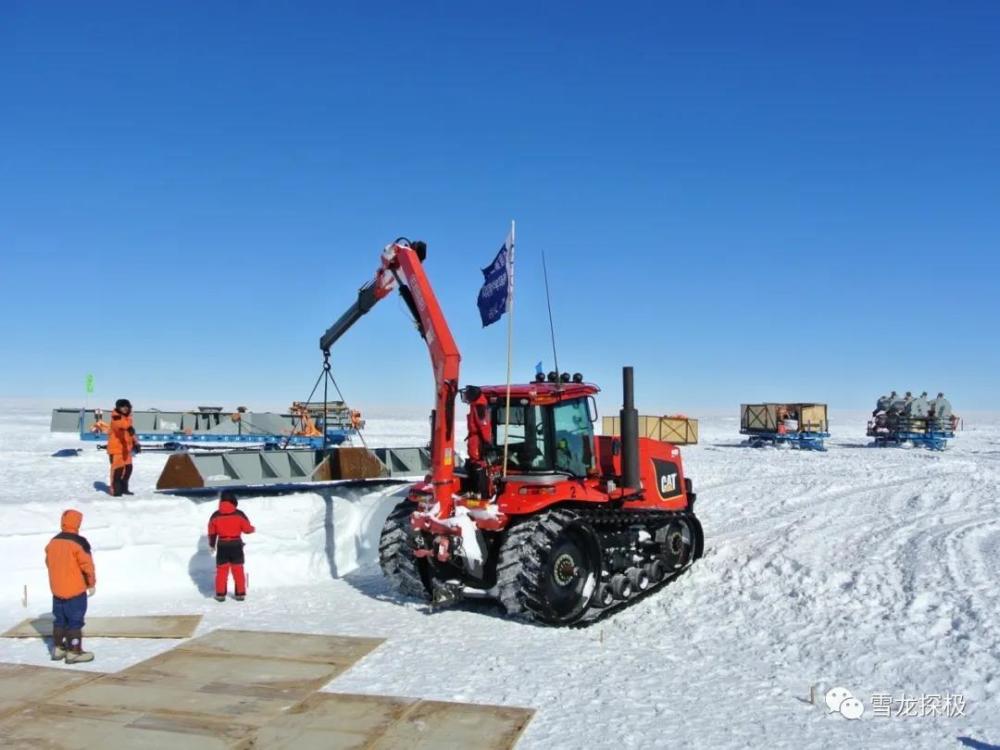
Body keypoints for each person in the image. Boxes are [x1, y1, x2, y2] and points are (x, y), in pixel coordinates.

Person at [45, 510, 96, 663]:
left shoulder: (52, 542)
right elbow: (87, 566)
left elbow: (48, 563)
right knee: (75, 621)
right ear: (78, 523)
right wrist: (91, 583)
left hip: (57, 590)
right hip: (75, 590)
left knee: (59, 620)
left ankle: (58, 648)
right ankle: (74, 651)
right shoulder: (79, 542)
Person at [207, 492, 255, 602]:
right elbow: (247, 529)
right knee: (238, 570)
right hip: (236, 545)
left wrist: (212, 544)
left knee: (222, 571)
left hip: (222, 545)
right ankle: (240, 594)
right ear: (233, 501)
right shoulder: (239, 514)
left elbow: (212, 532)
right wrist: (253, 529)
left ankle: (220, 594)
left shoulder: (215, 515)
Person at [107, 399, 141, 496]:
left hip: (126, 449)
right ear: (118, 408)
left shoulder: (128, 419)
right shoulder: (116, 417)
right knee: (118, 470)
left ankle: (124, 488)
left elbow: (131, 434)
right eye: (122, 406)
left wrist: (136, 443)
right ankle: (116, 490)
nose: (125, 408)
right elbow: (120, 425)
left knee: (128, 469)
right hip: (116, 449)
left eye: (127, 406)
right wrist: (128, 427)